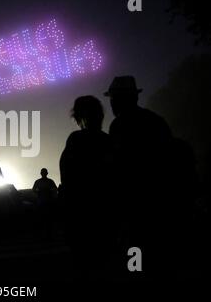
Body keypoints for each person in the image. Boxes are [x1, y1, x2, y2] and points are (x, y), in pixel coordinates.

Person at [104, 75, 173, 278]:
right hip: (160, 206)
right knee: (158, 262)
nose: (112, 103)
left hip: (134, 209)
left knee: (136, 262)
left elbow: (117, 169)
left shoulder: (119, 126)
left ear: (121, 99)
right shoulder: (157, 122)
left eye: (114, 98)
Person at [59, 96, 116, 278]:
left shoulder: (75, 140)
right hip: (107, 214)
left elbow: (68, 180)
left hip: (82, 215)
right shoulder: (109, 141)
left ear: (78, 117)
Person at [32, 168, 57, 239]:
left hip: (48, 202)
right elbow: (33, 190)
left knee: (48, 218)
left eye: (44, 172)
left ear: (46, 173)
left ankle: (48, 234)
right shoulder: (38, 181)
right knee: (42, 218)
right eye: (43, 172)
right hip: (41, 202)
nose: (43, 174)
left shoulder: (50, 181)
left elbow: (55, 189)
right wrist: (38, 192)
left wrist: (49, 191)